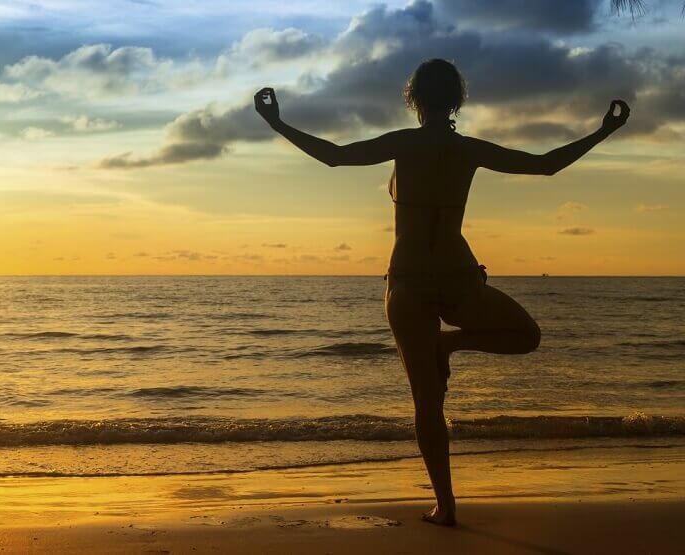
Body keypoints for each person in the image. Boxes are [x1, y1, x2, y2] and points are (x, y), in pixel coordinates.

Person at [254, 58, 630, 526]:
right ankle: (452, 346)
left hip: (410, 281)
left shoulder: (403, 144)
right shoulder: (467, 149)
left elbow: (333, 154)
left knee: (427, 403)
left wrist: (277, 123)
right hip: (456, 275)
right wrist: (604, 131)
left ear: (413, 98)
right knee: (526, 336)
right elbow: (546, 165)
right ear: (457, 100)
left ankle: (446, 505)